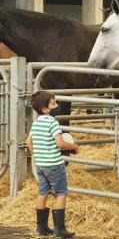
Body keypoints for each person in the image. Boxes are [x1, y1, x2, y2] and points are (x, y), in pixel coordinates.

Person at [26, 90, 79, 238]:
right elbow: (60, 143)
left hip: (41, 165)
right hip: (55, 165)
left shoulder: (36, 123)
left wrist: (38, 155)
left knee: (43, 192)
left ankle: (41, 228)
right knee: (61, 192)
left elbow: (28, 141)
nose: (57, 105)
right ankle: (59, 229)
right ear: (45, 109)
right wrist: (75, 147)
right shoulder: (53, 122)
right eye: (54, 103)